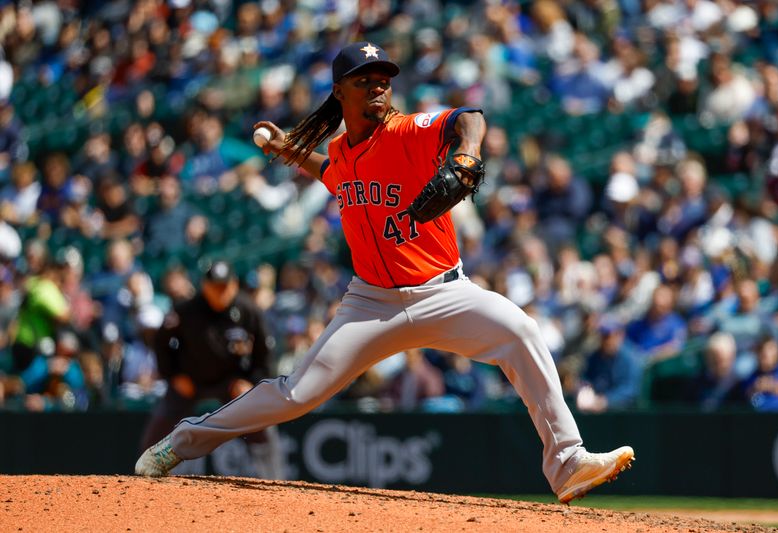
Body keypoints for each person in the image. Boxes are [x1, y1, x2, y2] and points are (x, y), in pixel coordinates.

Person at [136, 41, 634, 503]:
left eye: (383, 79)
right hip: (370, 303)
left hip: (444, 292)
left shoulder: (405, 131)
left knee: (522, 331)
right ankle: (182, 440)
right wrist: (285, 149)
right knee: (294, 394)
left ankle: (567, 461)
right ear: (339, 91)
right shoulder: (341, 153)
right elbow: (330, 170)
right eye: (364, 79)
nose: (377, 86)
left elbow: (470, 117)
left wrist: (468, 152)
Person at [138, 261, 282, 479]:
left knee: (260, 419)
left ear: (234, 285)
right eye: (215, 286)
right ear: (204, 286)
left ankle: (273, 477)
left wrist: (253, 382)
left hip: (232, 383)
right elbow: (161, 342)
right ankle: (144, 472)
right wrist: (174, 376)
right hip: (192, 381)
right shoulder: (186, 310)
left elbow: (265, 354)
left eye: (225, 286)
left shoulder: (248, 310)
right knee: (161, 422)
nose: (220, 292)